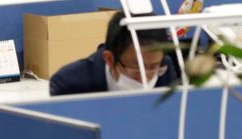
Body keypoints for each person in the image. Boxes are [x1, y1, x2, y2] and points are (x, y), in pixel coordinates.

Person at [49, 11, 180, 96]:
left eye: (152, 68)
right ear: (110, 59)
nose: (144, 79)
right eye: (136, 69)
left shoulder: (164, 69)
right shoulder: (70, 84)